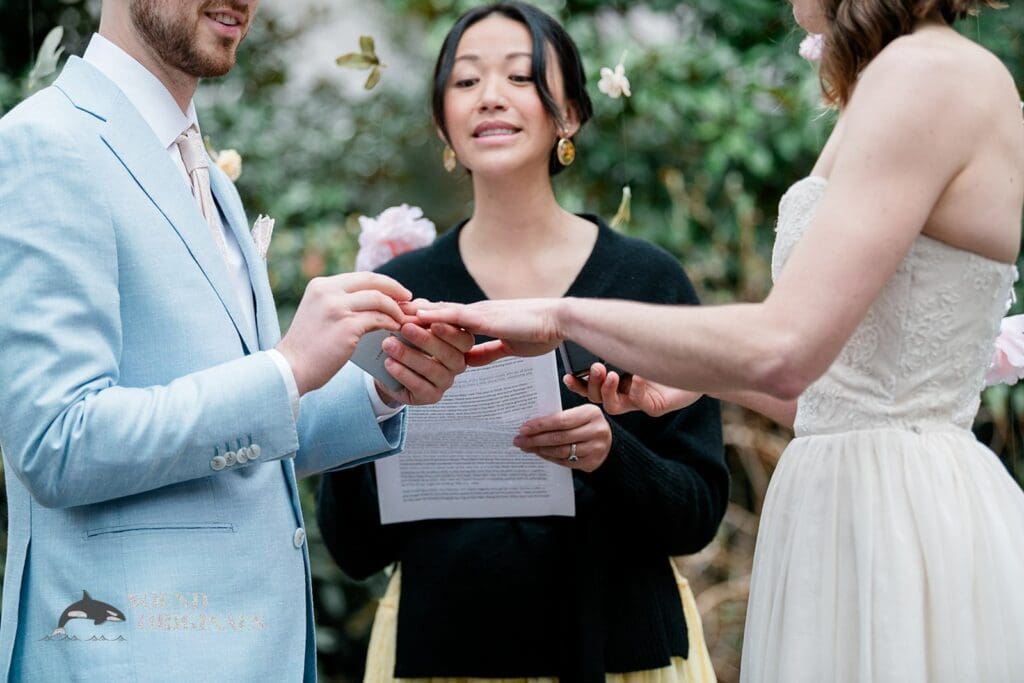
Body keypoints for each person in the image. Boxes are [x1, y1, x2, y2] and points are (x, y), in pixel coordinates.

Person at [414, 0, 1024, 681]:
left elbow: (785, 347)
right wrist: (697, 381)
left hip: (901, 519)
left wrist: (563, 317)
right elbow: (843, 393)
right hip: (847, 498)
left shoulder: (924, 73)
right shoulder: (888, 80)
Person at [0, 1, 472, 680]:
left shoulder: (202, 169)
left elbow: (246, 433)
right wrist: (284, 369)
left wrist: (382, 383)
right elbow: (58, 441)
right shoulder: (47, 142)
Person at [316, 3, 728, 681]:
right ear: (443, 121)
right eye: (467, 81)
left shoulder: (646, 280)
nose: (492, 97)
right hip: (443, 655)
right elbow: (354, 547)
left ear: (569, 115)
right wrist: (377, 407)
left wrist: (609, 453)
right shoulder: (397, 292)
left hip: (620, 651)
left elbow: (696, 516)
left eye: (521, 75)